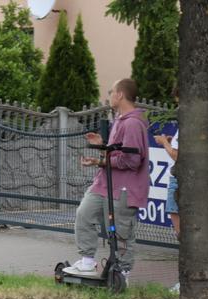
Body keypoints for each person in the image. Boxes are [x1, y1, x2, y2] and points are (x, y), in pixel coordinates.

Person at [64, 78, 150, 285]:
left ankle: (122, 274)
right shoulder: (120, 120)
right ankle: (87, 261)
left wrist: (103, 158)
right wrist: (102, 150)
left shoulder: (132, 123)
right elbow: (117, 154)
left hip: (123, 188)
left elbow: (131, 160)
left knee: (121, 232)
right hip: (105, 183)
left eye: (111, 91)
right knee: (84, 214)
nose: (109, 95)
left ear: (120, 94)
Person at [153, 111, 208, 293]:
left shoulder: (193, 120)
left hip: (182, 179)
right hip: (202, 179)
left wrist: (164, 143)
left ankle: (186, 281)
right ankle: (200, 279)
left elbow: (178, 156)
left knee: (183, 236)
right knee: (197, 234)